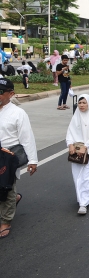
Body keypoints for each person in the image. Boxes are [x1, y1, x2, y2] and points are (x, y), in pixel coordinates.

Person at [0, 78, 38, 238]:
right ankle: (15, 199)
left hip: (9, 156)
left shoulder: (18, 113)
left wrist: (33, 160)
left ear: (11, 94)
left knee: (6, 187)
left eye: (1, 93)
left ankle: (5, 220)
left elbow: (27, 138)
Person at [66, 95, 89, 215]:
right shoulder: (75, 116)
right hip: (76, 151)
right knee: (77, 177)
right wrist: (70, 144)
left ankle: (84, 203)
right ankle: (81, 198)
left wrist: (85, 146)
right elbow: (70, 132)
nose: (81, 105)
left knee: (88, 177)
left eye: (84, 103)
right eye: (79, 102)